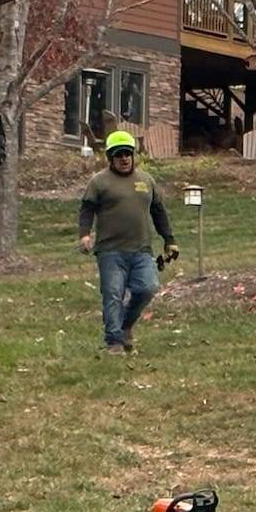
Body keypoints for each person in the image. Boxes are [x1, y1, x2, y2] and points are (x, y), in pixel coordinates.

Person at [78, 128, 175, 353]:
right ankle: (114, 342)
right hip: (110, 250)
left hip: (141, 250)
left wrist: (169, 239)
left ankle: (125, 326)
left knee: (148, 288)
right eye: (119, 154)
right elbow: (86, 210)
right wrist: (84, 234)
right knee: (113, 294)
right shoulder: (99, 182)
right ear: (111, 158)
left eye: (127, 154)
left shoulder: (146, 180)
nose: (124, 159)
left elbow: (159, 211)